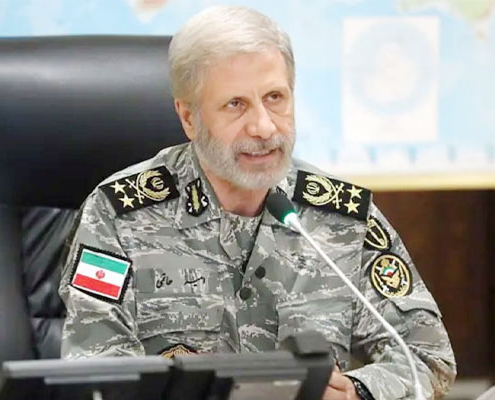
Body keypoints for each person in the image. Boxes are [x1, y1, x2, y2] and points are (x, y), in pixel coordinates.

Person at [59, 5, 456, 400]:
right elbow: (96, 371)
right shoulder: (118, 216)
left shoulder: (340, 219)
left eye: (275, 97)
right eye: (236, 104)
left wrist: (356, 392)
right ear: (189, 118)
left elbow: (428, 358)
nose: (264, 127)